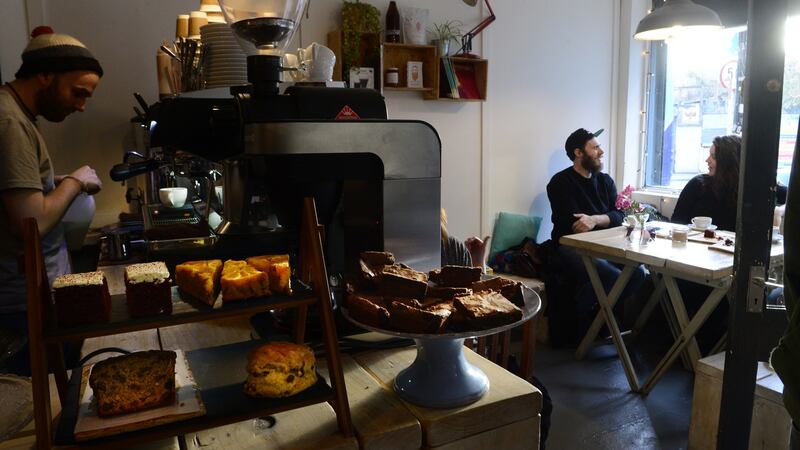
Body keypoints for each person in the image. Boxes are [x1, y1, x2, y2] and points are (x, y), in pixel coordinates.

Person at [0, 26, 104, 375]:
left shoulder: (19, 114)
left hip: (30, 296)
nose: (82, 106)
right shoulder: (11, 121)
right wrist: (75, 181)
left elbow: (16, 191)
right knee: (42, 410)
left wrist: (51, 182)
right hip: (20, 306)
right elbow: (30, 223)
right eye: (77, 93)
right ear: (44, 76)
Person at [546, 128, 645, 346]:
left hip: (606, 244)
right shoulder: (560, 183)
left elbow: (619, 215)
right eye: (595, 147)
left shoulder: (605, 182)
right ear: (578, 153)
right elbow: (573, 224)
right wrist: (601, 219)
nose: (601, 152)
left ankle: (596, 317)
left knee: (639, 273)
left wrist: (594, 219)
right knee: (611, 275)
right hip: (570, 246)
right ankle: (591, 320)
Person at [671, 135, 742, 230]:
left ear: (728, 162)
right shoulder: (697, 185)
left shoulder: (742, 192)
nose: (707, 160)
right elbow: (677, 222)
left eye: (713, 157)